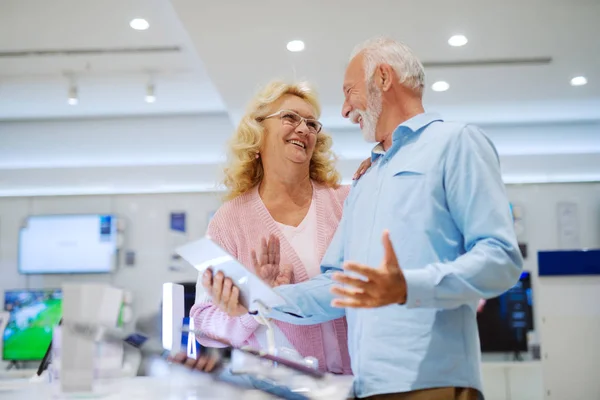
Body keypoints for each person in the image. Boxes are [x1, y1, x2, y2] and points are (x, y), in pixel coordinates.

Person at [253, 37, 524, 400]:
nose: (345, 109)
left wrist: (409, 287)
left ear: (383, 78)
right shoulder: (366, 180)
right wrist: (260, 298)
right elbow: (340, 285)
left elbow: (501, 259)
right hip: (364, 387)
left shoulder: (456, 143)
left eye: (349, 92)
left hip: (432, 383)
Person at [175, 80, 371, 375]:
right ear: (258, 134)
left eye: (311, 123)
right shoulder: (229, 220)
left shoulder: (345, 201)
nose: (303, 129)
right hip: (279, 386)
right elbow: (203, 324)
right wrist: (250, 307)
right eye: (290, 118)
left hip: (357, 381)